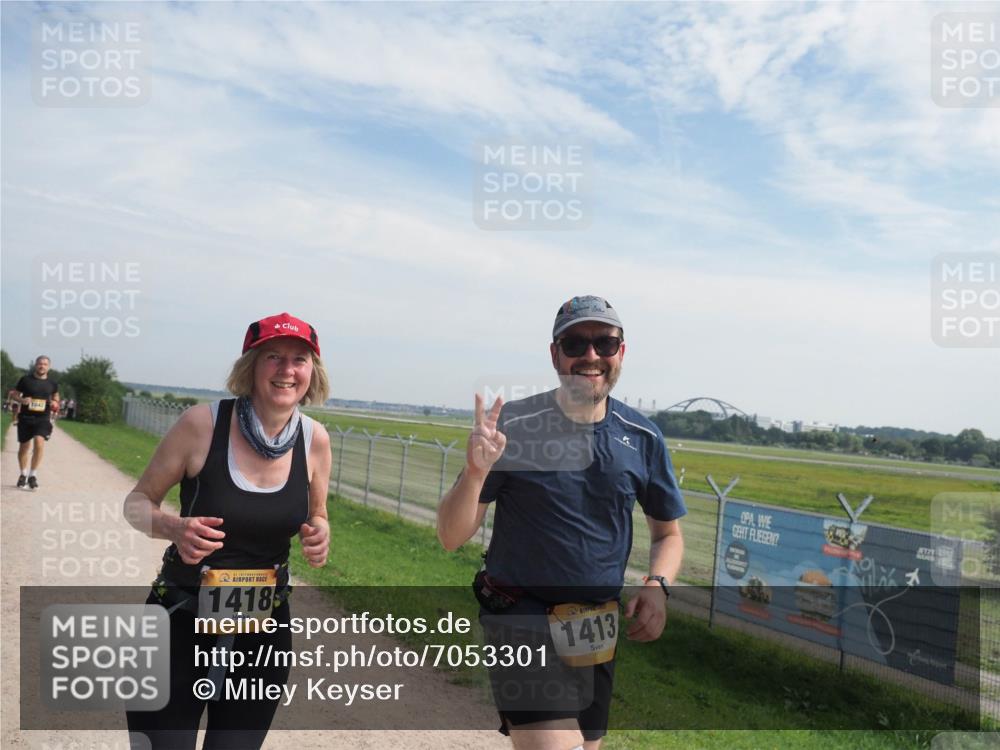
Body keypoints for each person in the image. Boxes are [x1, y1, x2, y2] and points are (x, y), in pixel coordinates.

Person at [437, 295, 686, 750]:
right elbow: (451, 536)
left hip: (595, 626)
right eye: (575, 343)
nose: (590, 356)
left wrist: (658, 585)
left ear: (621, 353)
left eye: (604, 343)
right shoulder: (514, 424)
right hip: (520, 614)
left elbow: (668, 534)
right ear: (555, 354)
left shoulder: (644, 437)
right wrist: (475, 473)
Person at [123, 312, 332, 750]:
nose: (286, 370)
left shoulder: (315, 440)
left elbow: (318, 514)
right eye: (273, 356)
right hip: (178, 619)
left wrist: (319, 532)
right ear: (251, 367)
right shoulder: (202, 424)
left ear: (313, 372)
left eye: (299, 359)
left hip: (264, 630)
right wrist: (171, 526)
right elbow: (136, 504)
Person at [14, 356, 59, 490]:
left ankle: (33, 475)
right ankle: (23, 474)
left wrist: (55, 402)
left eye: (45, 364)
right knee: (24, 447)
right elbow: (15, 394)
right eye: (40, 364)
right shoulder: (25, 380)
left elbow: (56, 397)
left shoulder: (52, 383)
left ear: (48, 367)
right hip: (26, 417)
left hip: (43, 418)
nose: (42, 366)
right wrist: (22, 400)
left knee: (39, 442)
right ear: (36, 365)